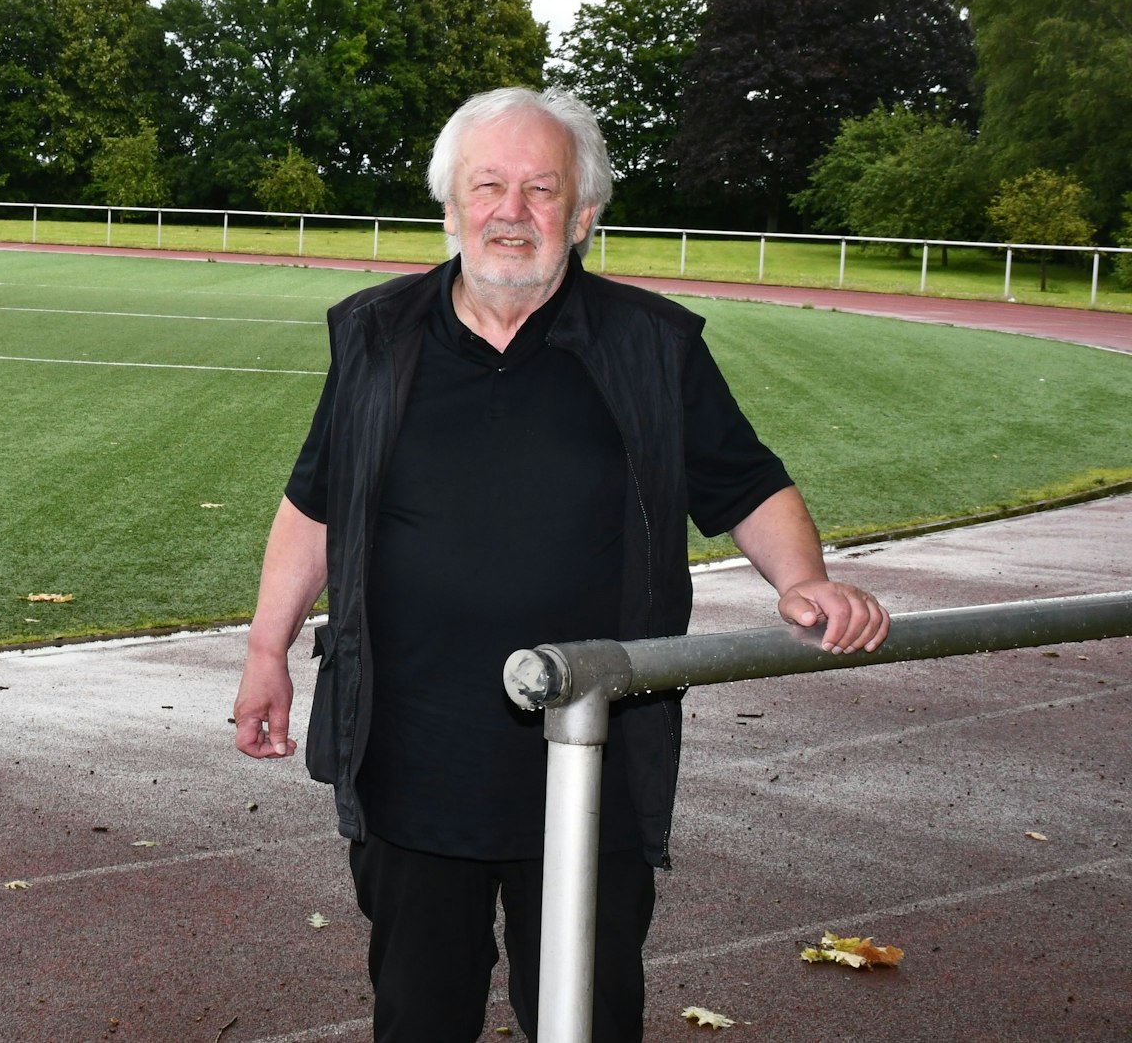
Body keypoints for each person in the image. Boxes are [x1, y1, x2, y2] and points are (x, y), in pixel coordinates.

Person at [231, 87, 890, 1042]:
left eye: (542, 188)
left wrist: (802, 579)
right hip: (412, 757)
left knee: (589, 1018)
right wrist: (265, 651)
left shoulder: (653, 347)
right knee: (416, 1018)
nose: (512, 210)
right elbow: (316, 502)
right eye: (488, 185)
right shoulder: (374, 336)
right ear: (451, 209)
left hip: (592, 763)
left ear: (582, 216)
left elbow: (747, 483)